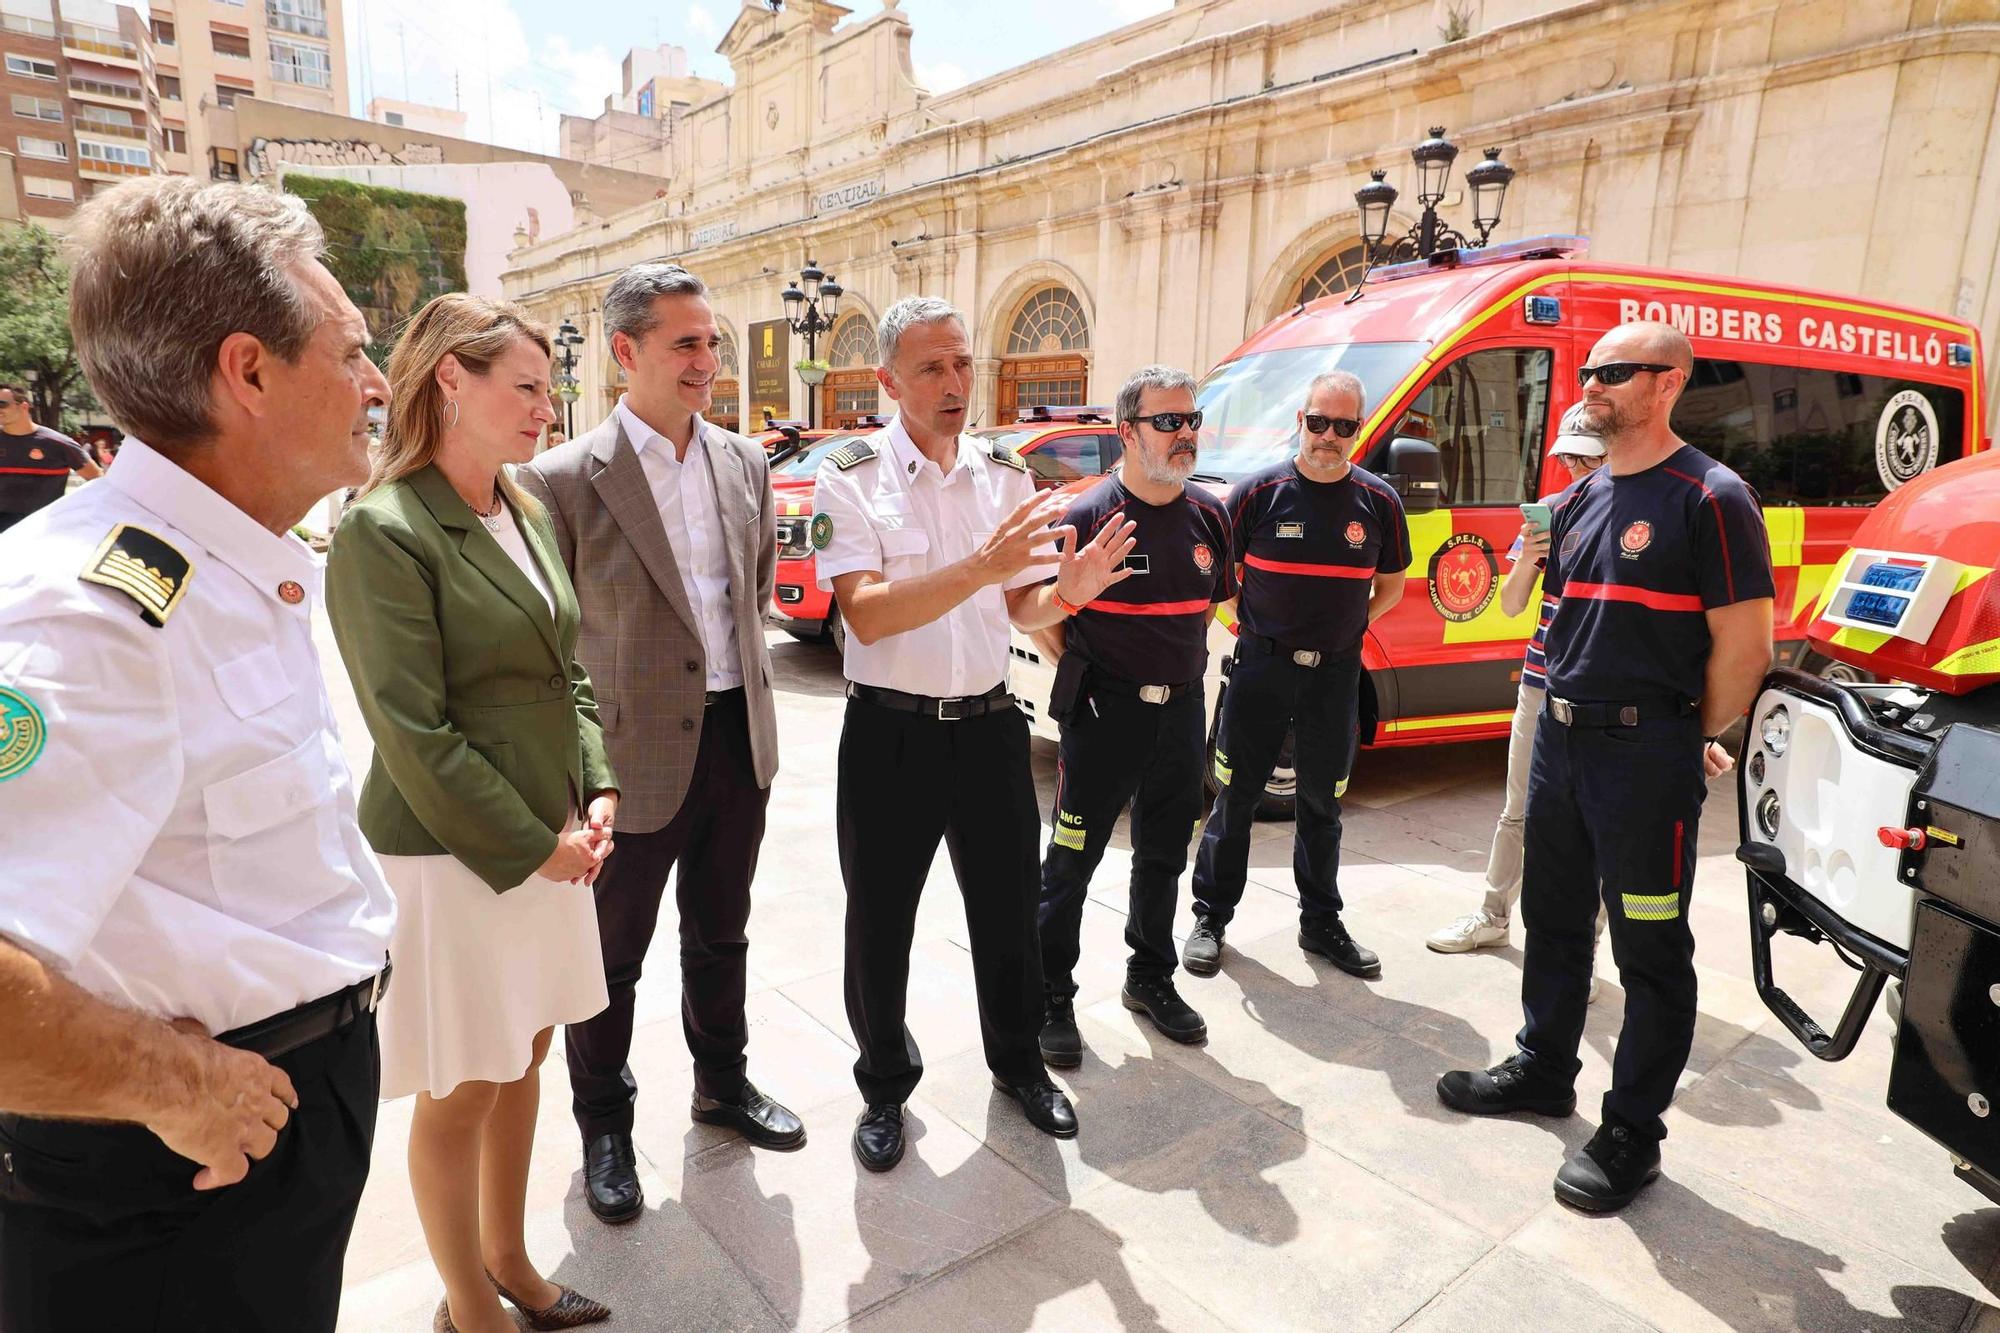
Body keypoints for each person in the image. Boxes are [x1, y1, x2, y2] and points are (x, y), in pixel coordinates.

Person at [0, 177, 394, 1331]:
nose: (376, 385)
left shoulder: (223, 562)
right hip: (175, 1173)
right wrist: (178, 1085)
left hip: (267, 1128)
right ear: (249, 372)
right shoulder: (86, 614)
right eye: (352, 349)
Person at [326, 294, 616, 1333]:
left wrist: (598, 787)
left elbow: (565, 673)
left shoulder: (524, 508)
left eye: (548, 386)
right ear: (452, 378)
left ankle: (511, 1260)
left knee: (525, 1053)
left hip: (549, 837)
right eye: (526, 387)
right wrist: (535, 847)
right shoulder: (383, 527)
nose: (549, 405)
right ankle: (467, 1307)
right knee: (460, 1087)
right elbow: (414, 732)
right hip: (458, 855)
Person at [1436, 321, 1775, 1214]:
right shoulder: (1583, 500)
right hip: (1562, 739)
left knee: (1650, 947)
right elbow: (1553, 618)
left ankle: (1632, 1129)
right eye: (1589, 370)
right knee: (1552, 916)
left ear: (1669, 383)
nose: (1591, 384)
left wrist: (1678, 734)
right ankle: (1545, 1065)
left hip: (1642, 756)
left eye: (1613, 373)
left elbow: (1745, 647)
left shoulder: (1712, 496)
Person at [812, 296, 1135, 1171]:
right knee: (880, 922)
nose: (955, 383)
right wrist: (981, 569)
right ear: (888, 381)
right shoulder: (851, 472)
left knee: (1006, 914)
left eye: (961, 362)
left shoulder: (1002, 468)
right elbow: (868, 617)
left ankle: (1019, 1064)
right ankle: (884, 1085)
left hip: (990, 725)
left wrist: (1071, 590)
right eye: (931, 369)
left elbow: (1022, 603)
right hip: (891, 734)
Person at [518, 263, 802, 1228]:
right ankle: (604, 1125)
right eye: (686, 343)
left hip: (735, 740)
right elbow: (549, 646)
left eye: (712, 342)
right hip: (624, 761)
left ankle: (722, 1085)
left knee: (721, 934)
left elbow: (749, 592)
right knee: (611, 959)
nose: (708, 362)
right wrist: (574, 779)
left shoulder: (745, 462)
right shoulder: (559, 479)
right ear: (624, 352)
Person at [1035, 365, 1233, 1066]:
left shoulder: (1211, 515)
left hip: (1180, 712)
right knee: (1071, 859)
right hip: (1103, 713)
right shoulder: (1087, 516)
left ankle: (1149, 976)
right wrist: (1104, 674)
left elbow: (1208, 609)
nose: (1185, 434)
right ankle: (1049, 994)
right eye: (1167, 421)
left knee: (1162, 854)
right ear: (1127, 431)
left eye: (1192, 421)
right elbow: (1047, 621)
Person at [1182, 370, 1409, 982]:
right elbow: (1220, 580)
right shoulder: (1257, 494)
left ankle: (1321, 922)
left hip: (1335, 674)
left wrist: (1353, 623)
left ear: (1357, 430)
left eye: (1344, 426)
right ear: (1300, 420)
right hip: (1262, 668)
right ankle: (1211, 918)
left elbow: (1392, 584)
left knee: (1324, 804)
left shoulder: (1379, 501)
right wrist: (1248, 626)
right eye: (1318, 422)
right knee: (1235, 798)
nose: (1329, 436)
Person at [1426, 402, 1610, 1000]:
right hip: (1541, 679)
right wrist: (1530, 561)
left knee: (1597, 824)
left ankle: (1582, 949)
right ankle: (1492, 916)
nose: (1578, 470)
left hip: (1602, 690)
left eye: (1589, 459)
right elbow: (1509, 606)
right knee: (1517, 808)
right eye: (1570, 460)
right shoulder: (1550, 515)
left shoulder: (1634, 517)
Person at [0, 383, 99, 532]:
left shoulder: (59, 443)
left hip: (44, 530)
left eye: (2, 404)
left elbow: (97, 479)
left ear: (24, 406)